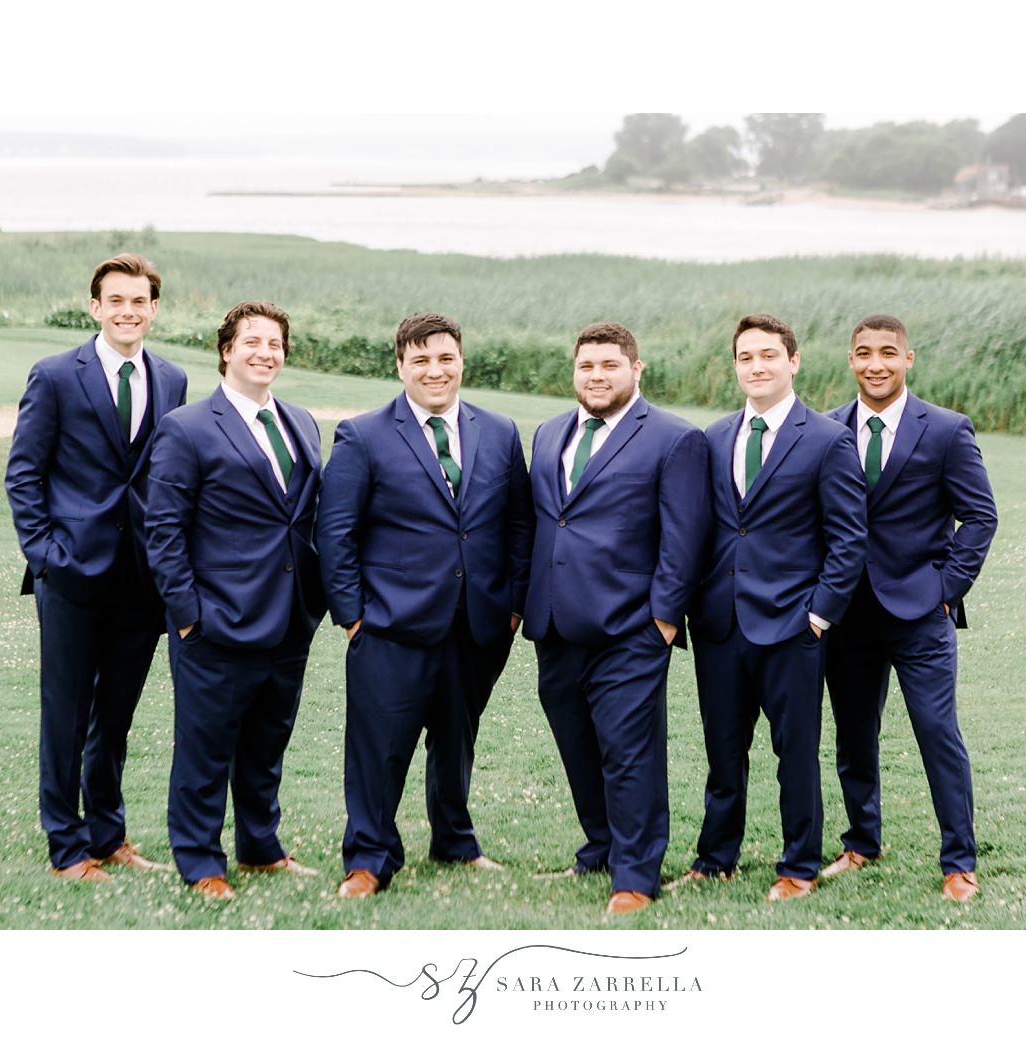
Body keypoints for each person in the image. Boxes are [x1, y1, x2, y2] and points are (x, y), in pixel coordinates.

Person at [316, 313, 533, 898]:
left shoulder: (500, 431)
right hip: (389, 623)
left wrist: (512, 604)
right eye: (420, 361)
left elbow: (519, 523)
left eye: (445, 359)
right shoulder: (363, 436)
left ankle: (455, 842)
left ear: (461, 360)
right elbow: (335, 533)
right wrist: (352, 615)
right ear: (400, 366)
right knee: (378, 747)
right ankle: (369, 858)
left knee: (457, 740)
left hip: (477, 622)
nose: (434, 371)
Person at [671, 312, 867, 902]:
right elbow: (702, 528)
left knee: (795, 753)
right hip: (719, 622)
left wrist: (819, 614)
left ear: (793, 361)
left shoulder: (829, 439)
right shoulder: (712, 437)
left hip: (792, 625)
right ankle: (714, 859)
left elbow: (848, 538)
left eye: (768, 356)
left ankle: (799, 865)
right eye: (745, 358)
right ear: (735, 366)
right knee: (722, 750)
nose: (757, 367)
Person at [5, 253, 188, 881]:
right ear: (95, 307)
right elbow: (24, 473)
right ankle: (66, 846)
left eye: (139, 302)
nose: (128, 312)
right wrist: (46, 556)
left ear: (154, 309)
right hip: (71, 574)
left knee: (115, 716)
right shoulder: (56, 375)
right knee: (65, 715)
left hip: (141, 580)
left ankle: (109, 836)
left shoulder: (173, 379)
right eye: (116, 301)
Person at [142, 301, 326, 898]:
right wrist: (188, 616)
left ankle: (260, 848)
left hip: (289, 617)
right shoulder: (188, 426)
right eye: (251, 342)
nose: (264, 352)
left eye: (275, 343)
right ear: (226, 350)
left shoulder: (301, 421)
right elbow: (163, 531)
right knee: (205, 749)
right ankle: (200, 862)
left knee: (267, 743)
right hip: (216, 621)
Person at [525, 322, 709, 916]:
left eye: (610, 365)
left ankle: (635, 876)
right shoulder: (550, 433)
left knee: (630, 753)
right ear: (574, 371)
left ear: (636, 369)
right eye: (587, 367)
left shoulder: (674, 438)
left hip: (631, 629)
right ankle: (600, 848)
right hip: (555, 625)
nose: (597, 376)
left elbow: (685, 538)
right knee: (578, 747)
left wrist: (664, 619)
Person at [821, 313, 998, 901]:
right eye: (865, 353)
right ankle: (861, 844)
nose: (876, 364)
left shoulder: (946, 430)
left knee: (936, 731)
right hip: (847, 615)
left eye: (888, 353)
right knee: (854, 734)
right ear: (851, 359)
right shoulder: (825, 430)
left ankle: (960, 861)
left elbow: (980, 517)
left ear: (908, 359)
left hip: (921, 613)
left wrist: (947, 590)